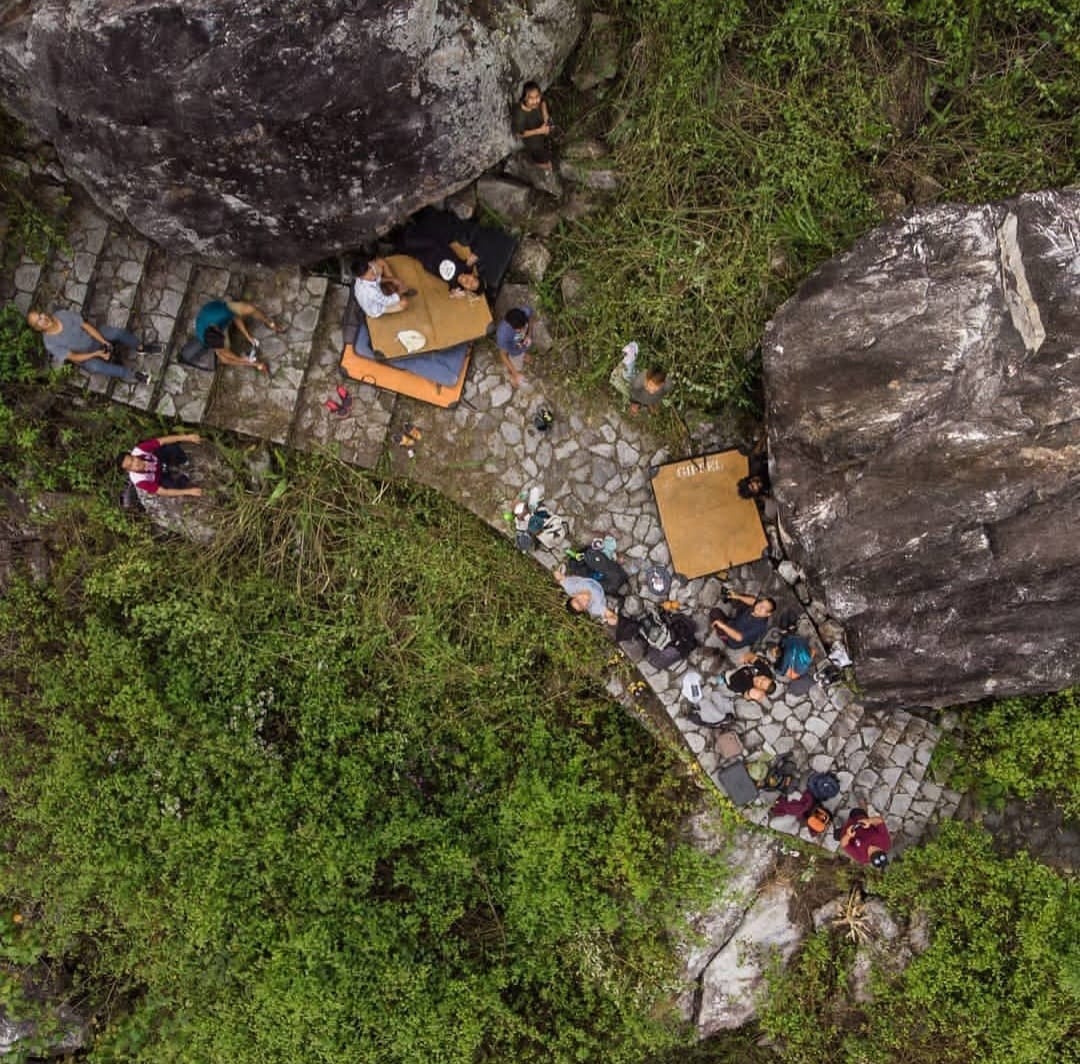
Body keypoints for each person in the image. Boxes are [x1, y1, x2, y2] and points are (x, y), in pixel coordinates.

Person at [27, 308, 156, 384]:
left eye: (40, 315)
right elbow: (73, 357)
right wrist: (96, 354)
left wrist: (104, 342)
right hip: (85, 354)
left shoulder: (61, 314)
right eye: (38, 321)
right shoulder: (50, 343)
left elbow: (86, 326)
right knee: (94, 366)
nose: (42, 319)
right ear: (37, 328)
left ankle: (140, 347)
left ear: (43, 313)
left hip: (93, 338)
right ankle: (132, 374)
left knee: (114, 332)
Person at [194, 299, 283, 373]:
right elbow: (225, 354)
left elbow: (236, 318)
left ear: (217, 330)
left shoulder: (222, 314)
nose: (223, 339)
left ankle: (271, 323)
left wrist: (248, 336)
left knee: (250, 309)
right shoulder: (205, 339)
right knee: (224, 359)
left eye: (222, 338)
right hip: (213, 328)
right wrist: (243, 360)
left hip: (223, 309)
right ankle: (256, 365)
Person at [399, 231, 483, 298]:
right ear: (472, 275)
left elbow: (452, 294)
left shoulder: (457, 287)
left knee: (405, 249)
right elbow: (474, 257)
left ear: (468, 289)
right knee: (408, 241)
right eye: (473, 280)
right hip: (433, 246)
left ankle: (394, 239)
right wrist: (475, 255)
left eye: (471, 286)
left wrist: (454, 294)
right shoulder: (466, 268)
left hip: (426, 261)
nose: (469, 282)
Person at [118, 434, 203, 498]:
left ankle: (183, 460)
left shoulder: (139, 450)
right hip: (159, 477)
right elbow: (163, 492)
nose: (135, 464)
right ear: (129, 470)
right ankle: (186, 478)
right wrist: (189, 492)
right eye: (131, 466)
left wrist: (188, 437)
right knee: (173, 486)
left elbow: (162, 441)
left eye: (132, 459)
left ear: (133, 455)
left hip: (159, 459)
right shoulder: (139, 481)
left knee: (171, 448)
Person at [709, 588, 776, 650]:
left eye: (764, 608)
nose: (760, 607)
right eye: (761, 603)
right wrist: (736, 596)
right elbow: (754, 601)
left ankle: (721, 634)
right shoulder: (758, 607)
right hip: (737, 621)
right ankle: (729, 598)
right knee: (743, 597)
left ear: (768, 614)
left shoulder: (760, 627)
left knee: (714, 612)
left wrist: (722, 625)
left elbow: (739, 637)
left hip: (732, 638)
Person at [511, 81, 553, 169]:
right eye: (531, 98)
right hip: (533, 140)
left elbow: (543, 102)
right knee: (545, 162)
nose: (535, 101)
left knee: (550, 148)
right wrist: (540, 131)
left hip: (542, 129)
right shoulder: (520, 114)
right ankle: (532, 162)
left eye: (537, 97)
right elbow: (519, 133)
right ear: (524, 98)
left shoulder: (538, 102)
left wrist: (546, 119)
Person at [495, 306, 534, 388]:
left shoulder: (525, 312)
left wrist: (529, 335)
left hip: (522, 343)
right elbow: (503, 355)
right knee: (516, 383)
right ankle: (512, 376)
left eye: (523, 327)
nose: (522, 330)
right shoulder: (502, 334)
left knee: (525, 352)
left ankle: (523, 355)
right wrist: (515, 374)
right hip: (513, 351)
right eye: (518, 329)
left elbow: (530, 319)